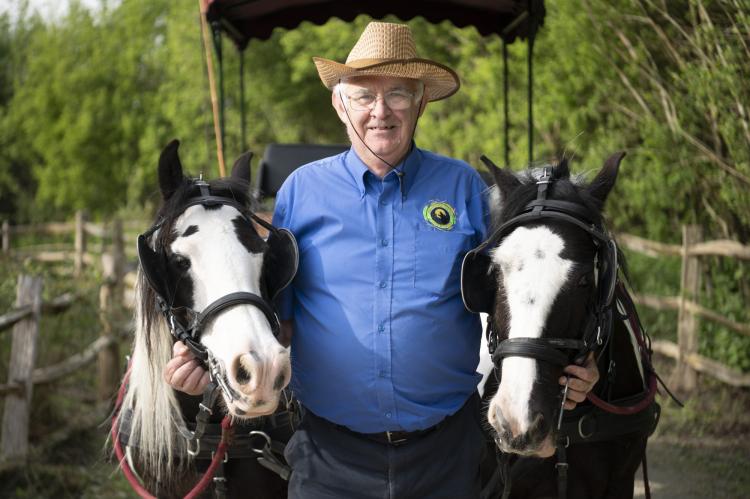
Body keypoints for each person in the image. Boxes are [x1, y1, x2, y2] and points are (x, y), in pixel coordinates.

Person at [164, 21, 599, 498]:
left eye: (397, 93)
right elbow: (276, 327)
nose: (380, 111)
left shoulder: (465, 190)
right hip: (329, 458)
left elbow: (526, 296)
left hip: (447, 455)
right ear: (339, 105)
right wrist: (211, 365)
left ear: (420, 103)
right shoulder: (301, 194)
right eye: (363, 95)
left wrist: (576, 365)